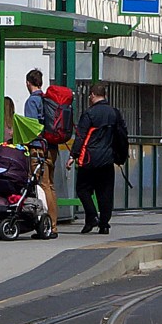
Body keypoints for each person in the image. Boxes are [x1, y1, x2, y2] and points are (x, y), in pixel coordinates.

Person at [66, 81, 128, 235]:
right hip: (107, 159)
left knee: (82, 189)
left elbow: (80, 137)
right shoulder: (115, 113)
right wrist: (120, 156)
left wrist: (73, 155)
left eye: (89, 95)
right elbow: (122, 135)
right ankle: (104, 224)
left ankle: (92, 215)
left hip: (89, 159)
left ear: (93, 95)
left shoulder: (89, 114)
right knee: (105, 193)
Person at [22, 69, 59, 236]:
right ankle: (53, 225)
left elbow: (32, 128)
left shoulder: (32, 102)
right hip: (52, 147)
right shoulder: (48, 100)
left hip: (39, 148)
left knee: (43, 186)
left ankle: (49, 226)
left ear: (28, 83)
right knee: (50, 185)